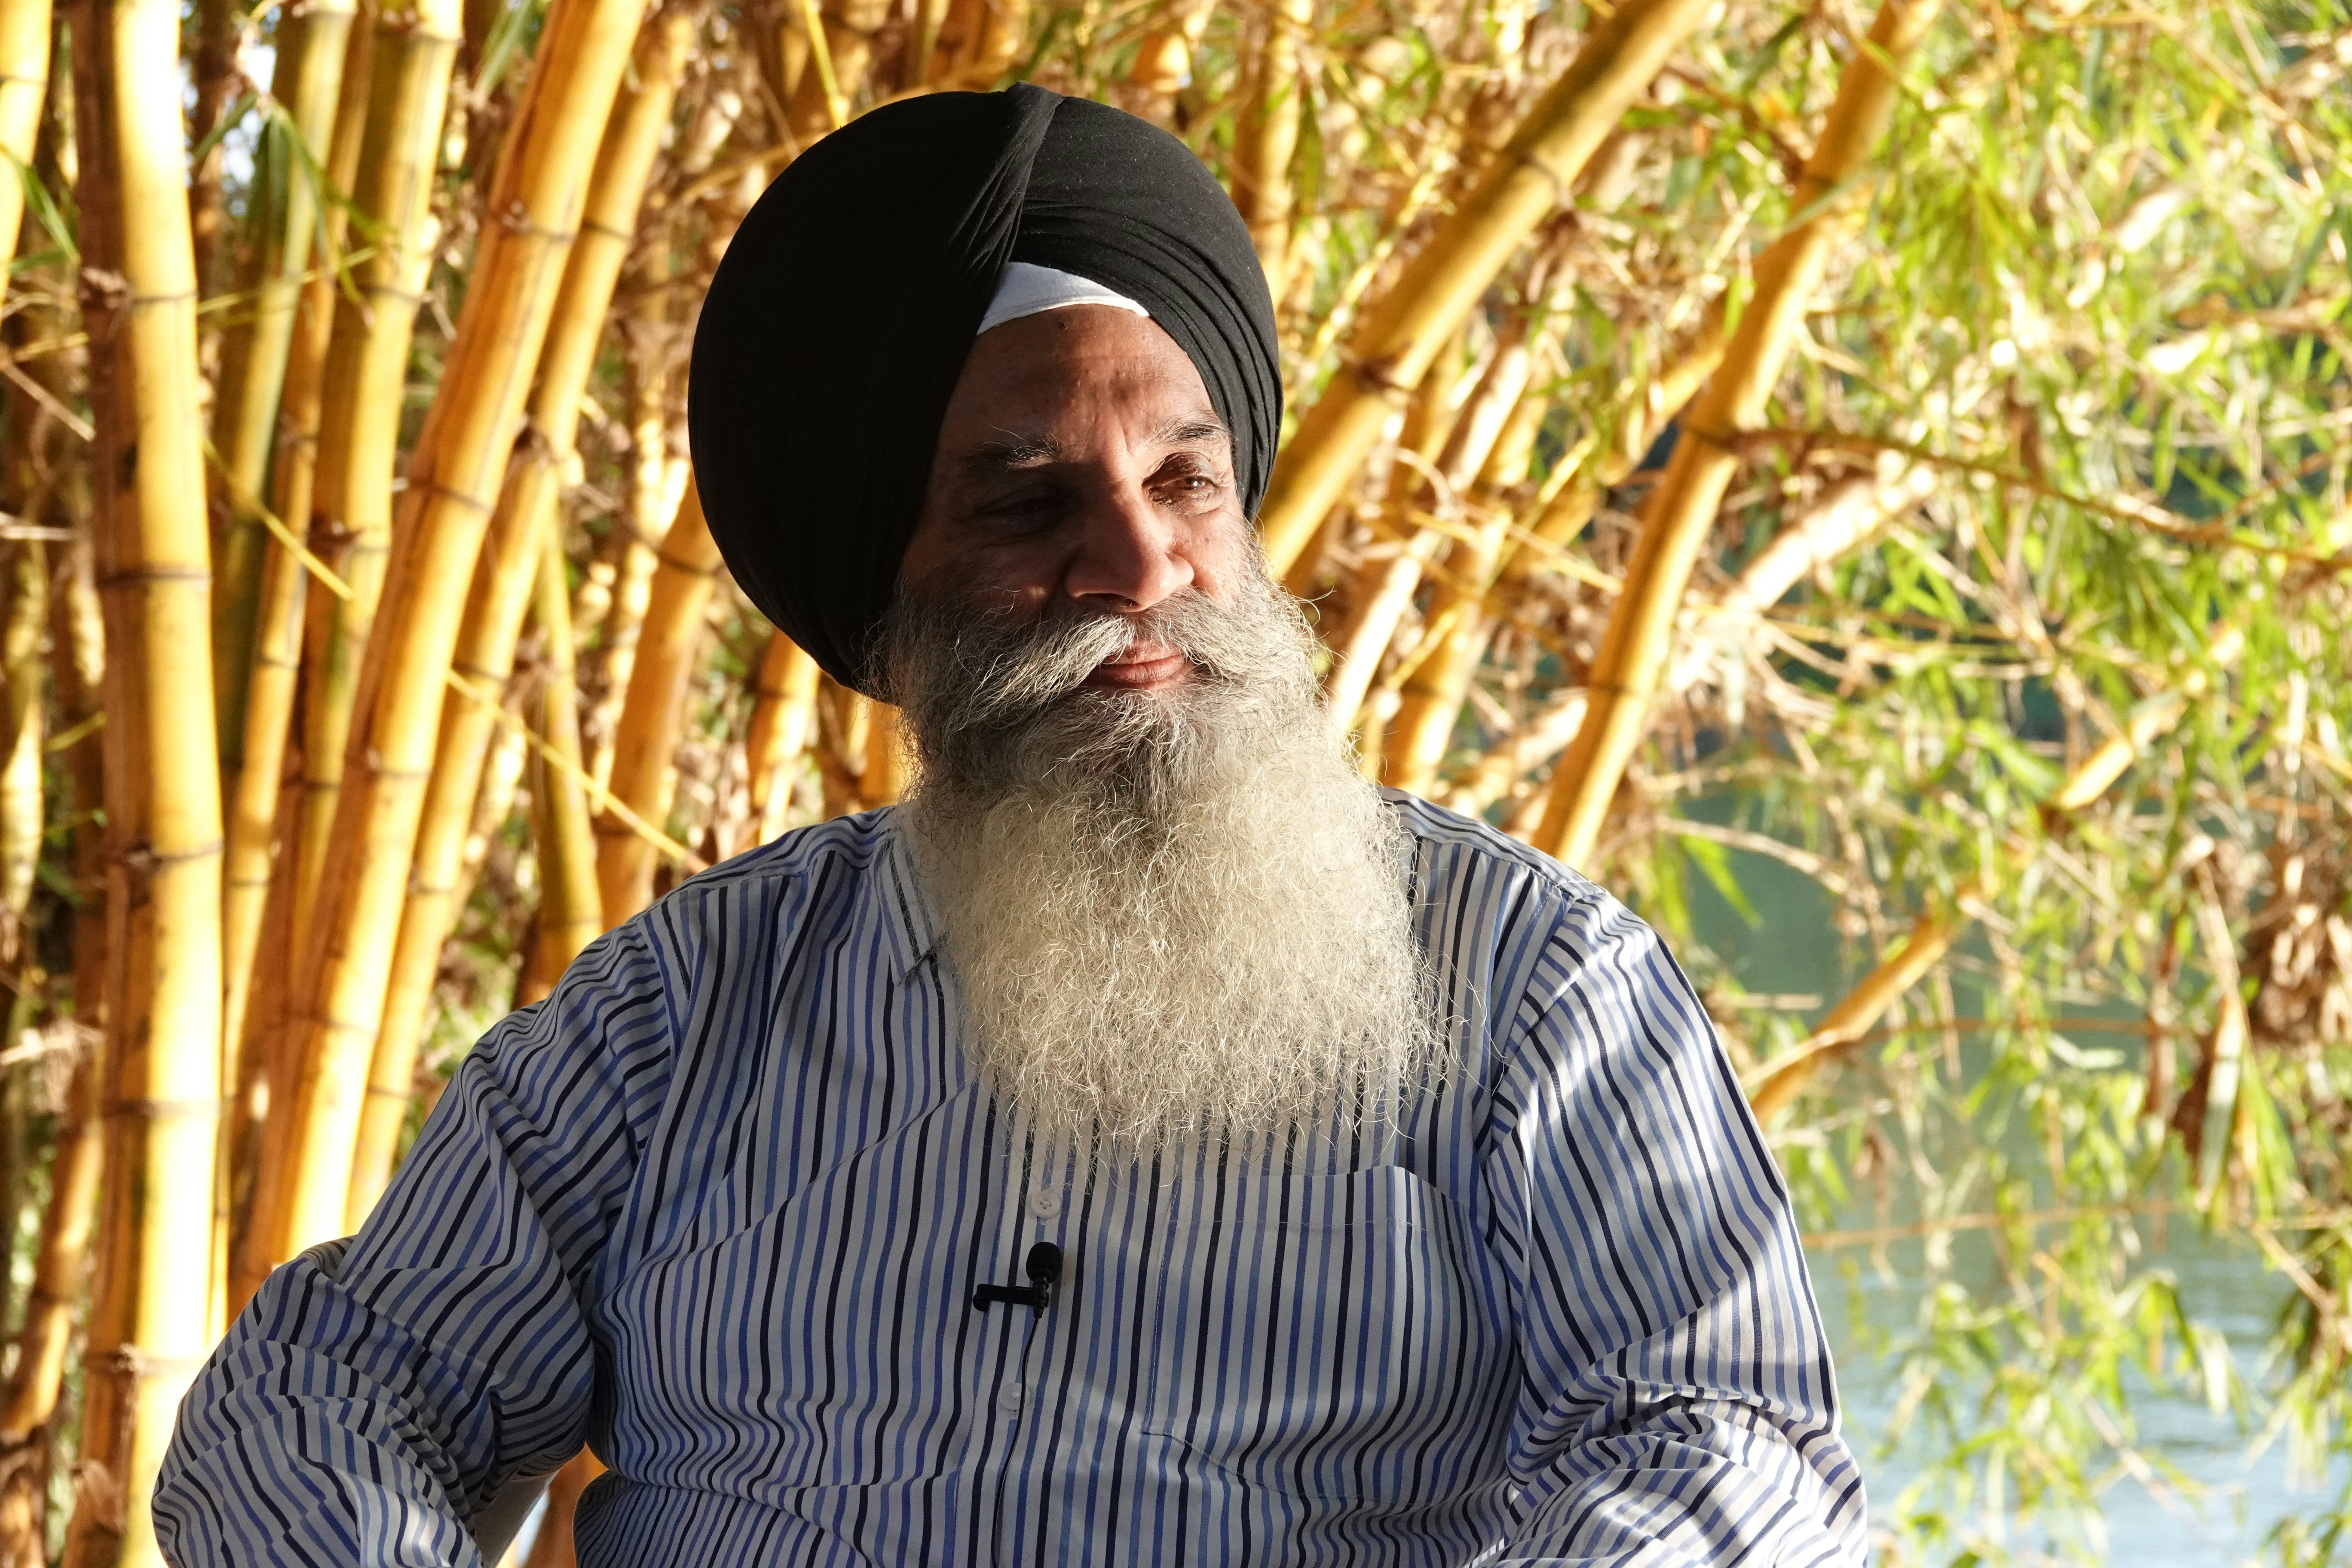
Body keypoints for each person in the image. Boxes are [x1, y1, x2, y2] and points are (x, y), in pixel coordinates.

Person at [156, 83, 1865, 1566]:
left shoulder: (1534, 984)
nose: (1140, 569)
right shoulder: (689, 1012)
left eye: (1188, 480)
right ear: (885, 590)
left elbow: (1732, 1450)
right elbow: (330, 1393)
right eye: (1030, 500)